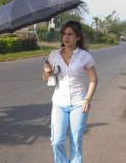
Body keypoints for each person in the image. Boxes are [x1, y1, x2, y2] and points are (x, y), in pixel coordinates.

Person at [42, 20, 98, 163]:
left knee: (75, 142)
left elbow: (94, 79)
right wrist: (48, 72)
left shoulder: (84, 56)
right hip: (59, 103)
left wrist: (88, 99)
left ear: (78, 37)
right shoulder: (54, 55)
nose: (66, 38)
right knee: (56, 141)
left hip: (79, 103)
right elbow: (46, 78)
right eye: (64, 34)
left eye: (70, 34)